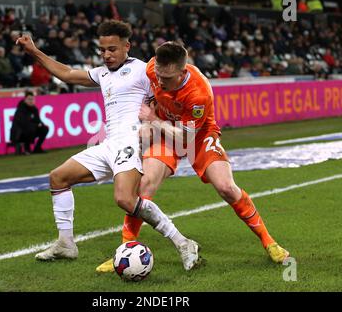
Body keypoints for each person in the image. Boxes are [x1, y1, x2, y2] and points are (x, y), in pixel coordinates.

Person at [16, 21, 200, 270]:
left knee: (125, 199)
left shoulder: (143, 71)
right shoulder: (101, 73)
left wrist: (156, 124)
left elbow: (170, 86)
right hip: (108, 144)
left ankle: (183, 243)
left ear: (127, 46)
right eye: (102, 50)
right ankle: (66, 243)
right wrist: (34, 52)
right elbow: (68, 74)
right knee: (58, 178)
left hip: (130, 143)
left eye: (112, 49)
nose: (106, 55)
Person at [96, 41, 289, 272]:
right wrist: (149, 110)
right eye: (159, 76)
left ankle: (269, 242)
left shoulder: (198, 93)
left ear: (183, 72)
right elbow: (148, 91)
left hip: (197, 134)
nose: (162, 83)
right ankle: (125, 249)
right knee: (144, 186)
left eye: (167, 79)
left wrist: (153, 120)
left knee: (226, 187)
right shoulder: (152, 69)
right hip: (165, 130)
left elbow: (186, 137)